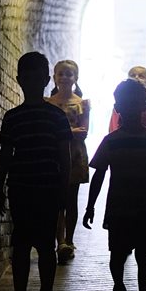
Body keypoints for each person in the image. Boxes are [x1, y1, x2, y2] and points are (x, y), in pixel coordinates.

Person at [83, 79, 146, 291]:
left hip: (121, 207)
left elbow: (99, 173)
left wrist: (91, 206)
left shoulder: (112, 140)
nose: (130, 109)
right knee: (141, 257)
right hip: (143, 206)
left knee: (119, 255)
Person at [0, 52, 72, 291]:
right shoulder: (55, 117)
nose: (29, 79)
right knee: (37, 244)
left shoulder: (13, 117)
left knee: (27, 244)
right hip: (38, 189)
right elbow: (63, 156)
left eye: (32, 74)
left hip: (27, 188)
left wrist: (0, 184)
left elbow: (7, 155)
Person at [46, 59, 90, 264]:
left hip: (75, 155)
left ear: (76, 78)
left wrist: (61, 133)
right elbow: (48, 133)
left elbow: (84, 132)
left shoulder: (83, 104)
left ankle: (69, 241)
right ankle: (60, 242)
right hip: (53, 156)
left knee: (71, 199)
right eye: (60, 73)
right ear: (54, 77)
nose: (64, 77)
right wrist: (71, 131)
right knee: (56, 200)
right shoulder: (47, 103)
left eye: (69, 74)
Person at [108, 66, 146, 133]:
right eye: (133, 75)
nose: (136, 78)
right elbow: (113, 128)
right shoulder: (120, 103)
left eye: (141, 76)